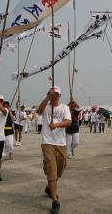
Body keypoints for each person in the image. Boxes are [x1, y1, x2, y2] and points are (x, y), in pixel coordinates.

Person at [36, 86, 71, 214]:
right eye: (52, 93)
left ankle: (50, 188)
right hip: (47, 142)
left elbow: (68, 122)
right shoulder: (46, 106)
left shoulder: (64, 108)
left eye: (56, 94)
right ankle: (55, 200)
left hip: (61, 143)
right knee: (51, 168)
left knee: (59, 169)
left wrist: (56, 124)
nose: (54, 95)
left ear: (60, 95)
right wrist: (47, 96)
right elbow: (39, 111)